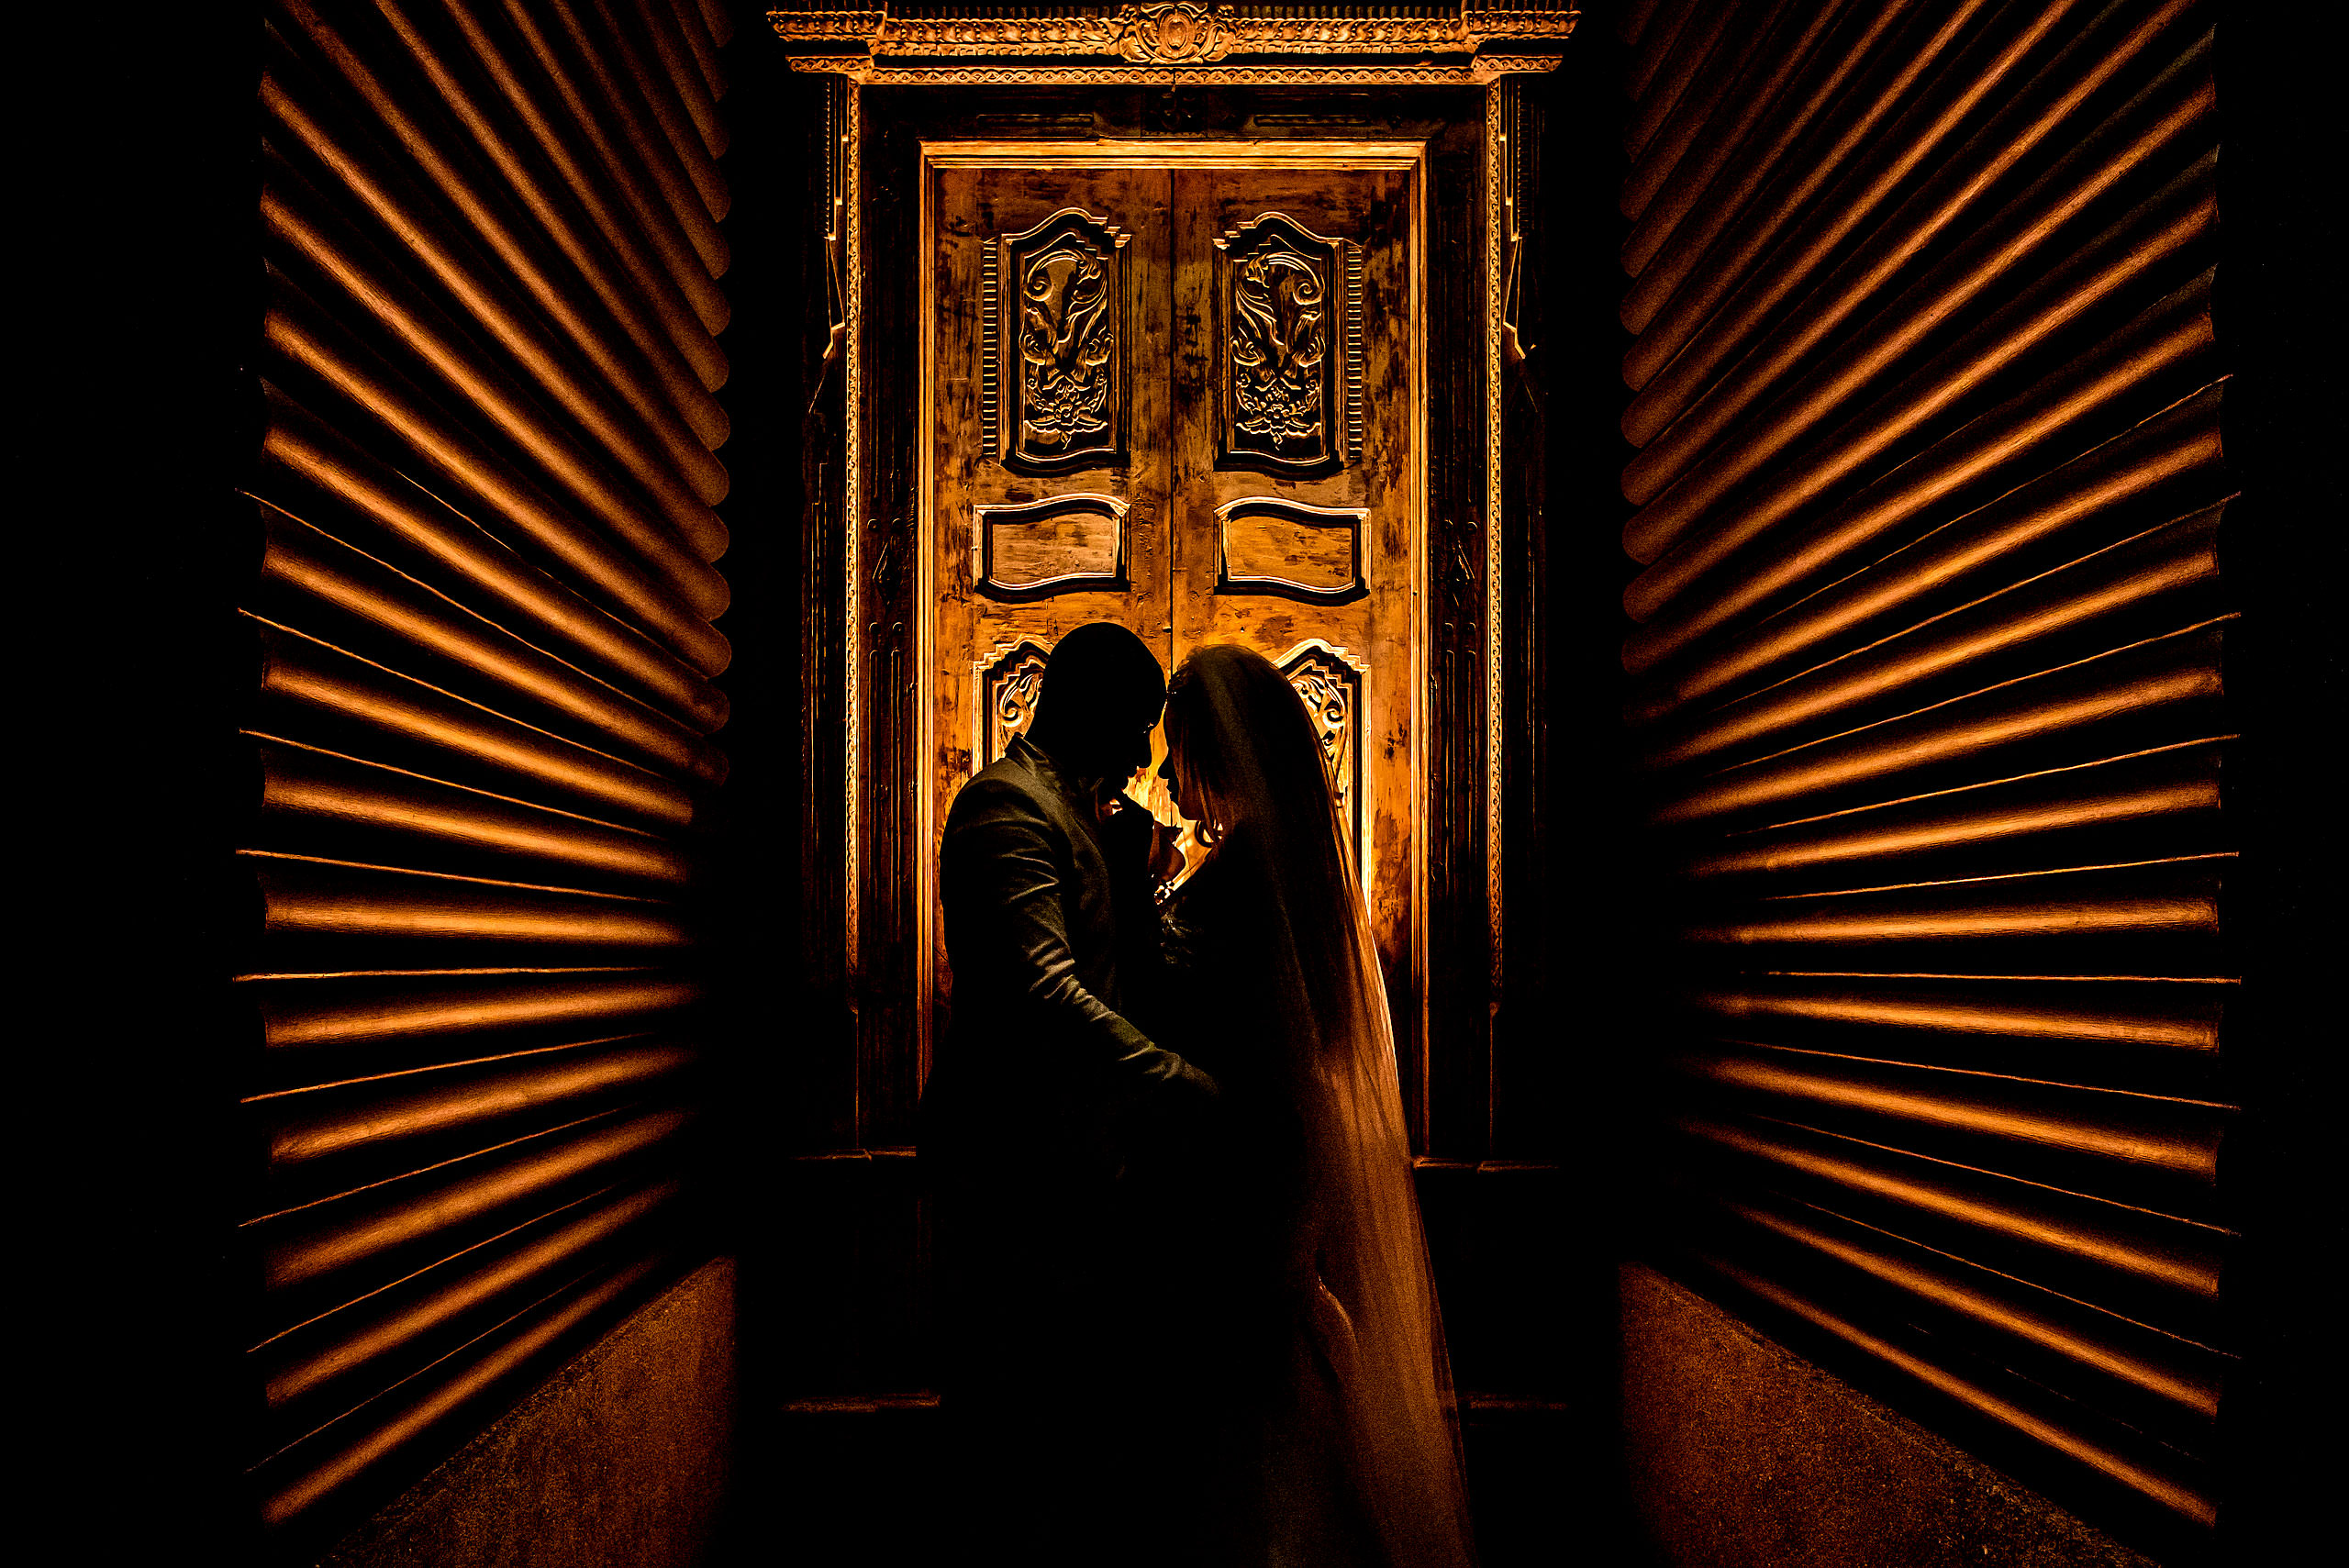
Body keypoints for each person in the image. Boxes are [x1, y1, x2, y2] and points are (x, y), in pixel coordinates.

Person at [1152, 641, 1478, 1568]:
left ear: (1216, 752)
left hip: (1236, 1165)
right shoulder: (1302, 879)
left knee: (1247, 1391)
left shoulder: (1240, 881)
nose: (1171, 783)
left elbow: (1188, 1017)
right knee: (1279, 1363)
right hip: (1281, 1155)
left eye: (1178, 756)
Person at [918, 620, 1222, 1565]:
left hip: (1074, 1166)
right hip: (1005, 1162)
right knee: (1010, 1404)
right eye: (1134, 726)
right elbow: (1046, 989)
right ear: (1084, 708)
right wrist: (1182, 1082)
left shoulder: (1079, 809)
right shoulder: (1004, 810)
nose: (1143, 755)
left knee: (1075, 1405)